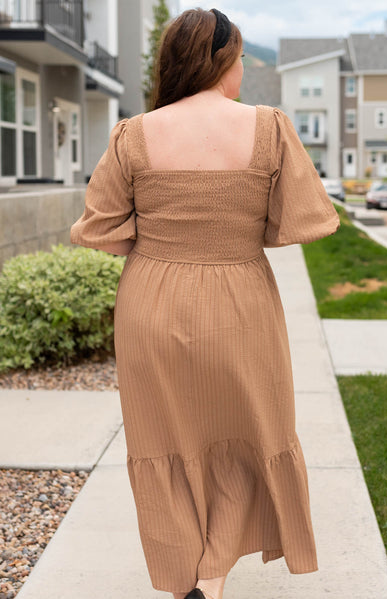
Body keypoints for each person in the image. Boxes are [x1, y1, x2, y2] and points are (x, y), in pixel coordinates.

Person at [70, 7, 340, 599]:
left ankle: (186, 580)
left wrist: (165, 234)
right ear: (222, 61)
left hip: (151, 302)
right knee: (244, 433)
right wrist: (235, 228)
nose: (243, 69)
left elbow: (105, 232)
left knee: (165, 443)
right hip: (241, 299)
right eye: (241, 59)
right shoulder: (268, 126)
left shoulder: (134, 133)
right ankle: (213, 575)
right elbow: (305, 221)